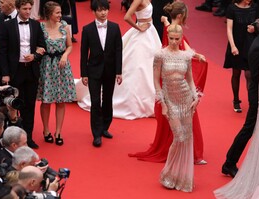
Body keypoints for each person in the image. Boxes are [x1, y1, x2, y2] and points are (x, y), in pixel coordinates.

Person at [129, 1, 208, 165]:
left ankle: (185, 152)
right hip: (173, 80)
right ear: (180, 16)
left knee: (183, 117)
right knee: (181, 118)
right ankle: (185, 154)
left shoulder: (169, 28)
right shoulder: (173, 31)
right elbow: (184, 50)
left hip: (177, 80)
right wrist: (196, 56)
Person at [77, 0, 161, 120]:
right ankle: (135, 102)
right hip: (141, 35)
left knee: (151, 65)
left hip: (151, 33)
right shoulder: (138, 0)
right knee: (138, 66)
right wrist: (139, 27)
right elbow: (127, 17)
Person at [214, 21, 259, 198]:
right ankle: (230, 162)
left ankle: (230, 161)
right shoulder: (256, 47)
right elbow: (255, 77)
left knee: (248, 129)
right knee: (249, 128)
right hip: (256, 94)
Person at [154, 24, 198, 192]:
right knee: (178, 137)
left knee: (187, 138)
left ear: (181, 38)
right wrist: (163, 104)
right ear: (167, 36)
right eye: (171, 38)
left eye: (177, 39)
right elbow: (156, 81)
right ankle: (168, 173)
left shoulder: (186, 56)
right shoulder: (160, 55)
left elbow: (190, 79)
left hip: (186, 99)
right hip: (170, 100)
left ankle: (182, 177)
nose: (173, 42)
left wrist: (195, 97)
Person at [0, 0, 46, 149]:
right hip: (15, 70)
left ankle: (28, 137)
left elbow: (42, 46)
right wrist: (5, 73)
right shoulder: (7, 26)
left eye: (30, 8)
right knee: (14, 105)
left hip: (31, 70)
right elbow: (3, 51)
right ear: (18, 8)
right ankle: (13, 138)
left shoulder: (36, 24)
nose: (28, 11)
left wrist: (35, 56)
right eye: (25, 8)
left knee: (30, 105)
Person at [80, 0, 122, 147]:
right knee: (95, 101)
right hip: (93, 71)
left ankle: (105, 127)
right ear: (94, 12)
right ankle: (96, 134)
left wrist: (119, 71)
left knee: (108, 100)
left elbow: (118, 51)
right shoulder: (87, 29)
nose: (103, 12)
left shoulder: (115, 28)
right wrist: (84, 74)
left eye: (105, 9)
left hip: (110, 70)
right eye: (100, 10)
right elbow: (83, 53)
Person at [37, 1, 76, 146]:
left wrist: (65, 55)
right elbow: (37, 45)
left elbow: (70, 45)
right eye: (57, 13)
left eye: (60, 12)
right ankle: (46, 130)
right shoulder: (40, 28)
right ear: (49, 14)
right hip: (47, 66)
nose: (60, 15)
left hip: (62, 66)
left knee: (61, 101)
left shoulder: (65, 26)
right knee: (46, 101)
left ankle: (58, 131)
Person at [223, 0, 259, 113]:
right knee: (236, 73)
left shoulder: (255, 7)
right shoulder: (232, 8)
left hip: (250, 44)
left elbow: (258, 22)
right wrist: (233, 46)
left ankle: (252, 103)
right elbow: (229, 28)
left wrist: (255, 28)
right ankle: (236, 100)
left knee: (249, 74)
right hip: (236, 43)